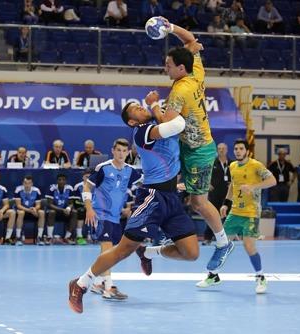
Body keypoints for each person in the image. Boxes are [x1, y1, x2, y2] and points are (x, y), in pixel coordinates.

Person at [68, 97, 199, 314]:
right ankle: (81, 283)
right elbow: (173, 125)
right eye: (135, 109)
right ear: (131, 122)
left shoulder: (160, 122)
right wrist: (156, 104)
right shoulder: (142, 131)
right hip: (152, 197)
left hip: (171, 197)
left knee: (192, 252)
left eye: (141, 105)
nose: (141, 107)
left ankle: (149, 253)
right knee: (123, 250)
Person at [144, 17, 234, 272]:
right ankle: (161, 236)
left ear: (181, 68)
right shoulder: (195, 71)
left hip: (199, 152)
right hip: (190, 145)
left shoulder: (180, 92)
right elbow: (191, 41)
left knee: (198, 203)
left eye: (169, 65)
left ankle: (223, 243)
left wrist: (153, 104)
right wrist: (169, 28)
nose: (166, 68)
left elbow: (165, 125)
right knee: (169, 187)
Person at [197, 139, 276, 293]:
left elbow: (272, 181)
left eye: (241, 148)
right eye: (236, 149)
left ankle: (261, 278)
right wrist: (226, 203)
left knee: (249, 246)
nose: (238, 151)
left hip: (251, 213)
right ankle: (213, 276)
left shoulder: (256, 165)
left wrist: (254, 187)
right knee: (222, 244)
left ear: (247, 150)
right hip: (235, 213)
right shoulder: (233, 166)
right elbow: (233, 185)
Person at [82, 138, 141, 300]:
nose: (121, 154)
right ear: (113, 151)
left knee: (109, 252)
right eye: (118, 150)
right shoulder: (104, 168)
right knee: (108, 250)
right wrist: (89, 209)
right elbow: (87, 186)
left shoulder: (130, 170)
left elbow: (145, 183)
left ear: (128, 152)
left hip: (115, 218)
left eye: (124, 151)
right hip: (101, 214)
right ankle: (109, 288)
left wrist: (173, 186)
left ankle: (98, 283)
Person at [204, 143, 231, 245]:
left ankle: (227, 238)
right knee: (212, 215)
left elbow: (235, 176)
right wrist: (207, 184)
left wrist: (233, 184)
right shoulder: (212, 162)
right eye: (219, 148)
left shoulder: (232, 163)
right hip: (214, 193)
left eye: (223, 148)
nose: (221, 150)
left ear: (227, 150)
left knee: (228, 216)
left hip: (228, 194)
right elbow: (205, 173)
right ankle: (208, 238)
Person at [45, 174, 77, 244]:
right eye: (59, 180)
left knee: (74, 212)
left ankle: (67, 237)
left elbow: (71, 203)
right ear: (57, 181)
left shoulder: (70, 188)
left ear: (66, 181)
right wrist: (62, 210)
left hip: (65, 212)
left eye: (63, 180)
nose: (61, 181)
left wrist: (68, 208)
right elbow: (49, 204)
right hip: (56, 212)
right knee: (51, 212)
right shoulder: (52, 188)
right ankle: (49, 237)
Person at [14, 175, 46, 246]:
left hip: (33, 211)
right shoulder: (18, 190)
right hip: (23, 210)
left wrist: (35, 209)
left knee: (42, 212)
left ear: (32, 184)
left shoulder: (36, 190)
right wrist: (29, 210)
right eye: (25, 183)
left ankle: (39, 237)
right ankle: (18, 237)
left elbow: (38, 205)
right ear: (23, 183)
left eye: (29, 183)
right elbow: (18, 205)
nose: (27, 185)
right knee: (21, 213)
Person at [71, 170, 91, 245]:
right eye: (86, 177)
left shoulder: (95, 186)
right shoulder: (78, 186)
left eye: (90, 177)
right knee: (81, 211)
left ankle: (94, 235)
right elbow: (75, 201)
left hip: (93, 207)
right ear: (83, 177)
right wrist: (85, 205)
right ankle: (79, 236)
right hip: (82, 207)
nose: (88, 179)